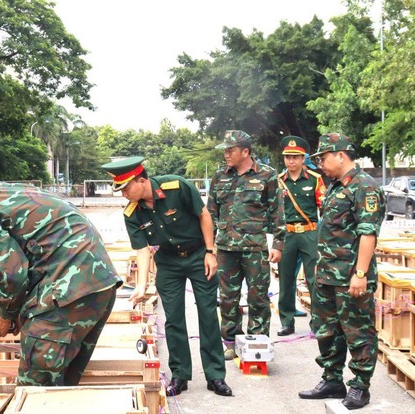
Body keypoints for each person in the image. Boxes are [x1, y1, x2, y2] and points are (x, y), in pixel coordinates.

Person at [0, 154, 122, 386]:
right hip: (100, 283)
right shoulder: (17, 192)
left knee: (35, 392)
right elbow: (38, 257)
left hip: (66, 292)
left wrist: (4, 315)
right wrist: (22, 311)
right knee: (63, 385)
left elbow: (12, 272)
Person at [101, 156, 232, 397]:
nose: (124, 194)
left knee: (208, 315)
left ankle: (215, 376)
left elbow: (204, 216)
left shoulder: (177, 186)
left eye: (126, 188)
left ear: (141, 181)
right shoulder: (132, 213)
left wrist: (210, 252)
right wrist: (140, 286)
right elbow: (142, 250)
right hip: (169, 262)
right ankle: (180, 375)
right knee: (173, 319)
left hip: (198, 255)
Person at [298, 133, 384, 410]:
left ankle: (360, 386)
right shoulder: (335, 186)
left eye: (323, 158)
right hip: (326, 275)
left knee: (358, 331)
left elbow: (368, 233)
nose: (320, 163)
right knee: (327, 331)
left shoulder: (365, 187)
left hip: (349, 277)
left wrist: (360, 274)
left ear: (340, 155)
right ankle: (332, 380)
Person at [207, 130, 285, 360]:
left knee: (258, 297)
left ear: (245, 151)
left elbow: (277, 212)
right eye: (225, 150)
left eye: (230, 150)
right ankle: (230, 341)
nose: (226, 154)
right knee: (228, 298)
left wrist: (278, 244)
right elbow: (210, 214)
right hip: (226, 249)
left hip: (255, 248)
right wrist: (209, 249)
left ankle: (257, 342)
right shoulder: (219, 176)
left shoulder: (267, 175)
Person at [276, 136, 326, 336]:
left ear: (303, 158)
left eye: (295, 157)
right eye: (288, 157)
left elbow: (325, 206)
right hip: (287, 234)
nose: (291, 161)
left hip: (309, 233)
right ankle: (287, 322)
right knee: (285, 279)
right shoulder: (278, 181)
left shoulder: (315, 179)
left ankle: (318, 322)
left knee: (315, 279)